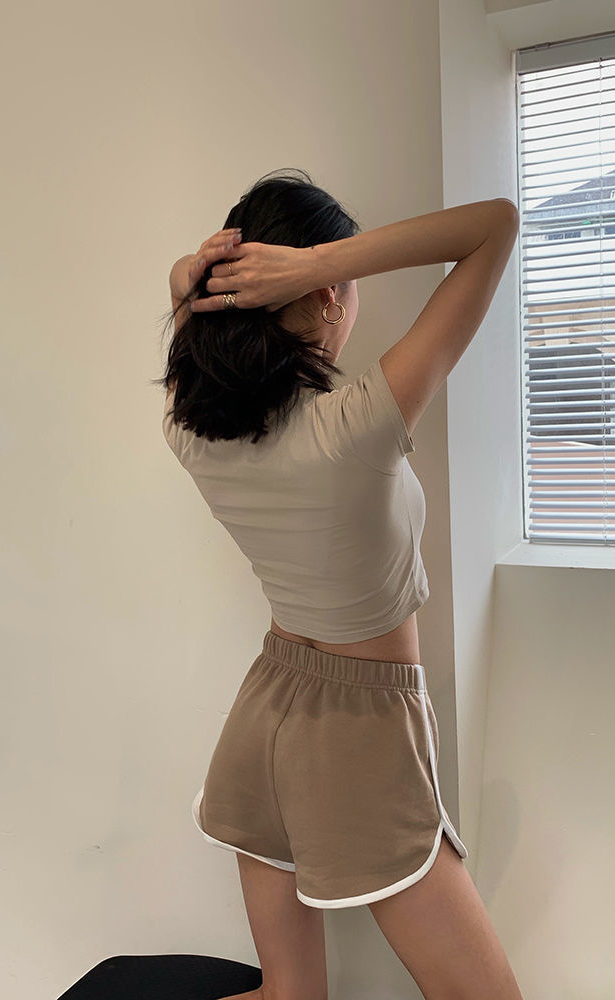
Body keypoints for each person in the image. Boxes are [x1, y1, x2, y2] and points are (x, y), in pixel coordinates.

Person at [158, 169, 522, 1000]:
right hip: (364, 729)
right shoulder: (354, 427)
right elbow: (495, 225)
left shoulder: (190, 427)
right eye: (343, 284)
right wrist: (320, 261)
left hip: (267, 709)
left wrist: (206, 272)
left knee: (290, 996)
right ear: (326, 293)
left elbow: (180, 282)